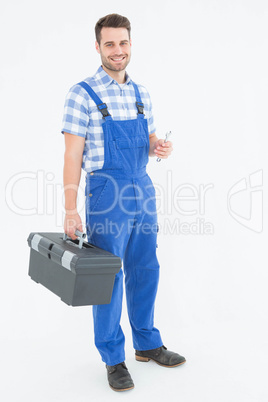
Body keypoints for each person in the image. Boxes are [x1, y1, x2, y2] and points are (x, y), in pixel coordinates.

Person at [61, 13, 186, 392]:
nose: (118, 50)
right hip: (105, 191)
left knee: (146, 266)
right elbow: (71, 156)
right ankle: (113, 358)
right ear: (97, 47)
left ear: (131, 44)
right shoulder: (81, 93)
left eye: (124, 42)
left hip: (141, 186)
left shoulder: (140, 93)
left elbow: (146, 141)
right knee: (109, 276)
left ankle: (147, 343)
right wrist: (70, 208)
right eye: (110, 44)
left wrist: (158, 148)